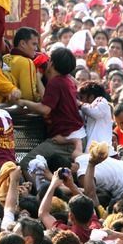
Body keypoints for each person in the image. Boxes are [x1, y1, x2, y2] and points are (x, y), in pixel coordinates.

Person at [19, 48, 86, 178]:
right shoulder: (66, 80)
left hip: (65, 139)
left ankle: (42, 193)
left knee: (27, 163)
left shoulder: (56, 82)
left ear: (52, 63)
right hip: (77, 135)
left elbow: (45, 108)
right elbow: (49, 99)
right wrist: (39, 79)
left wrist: (23, 102)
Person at [3, 27, 42, 101]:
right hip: (15, 108)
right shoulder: (26, 62)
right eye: (34, 44)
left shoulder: (4, 57)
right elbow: (29, 96)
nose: (36, 48)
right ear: (23, 43)